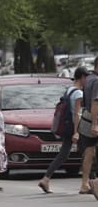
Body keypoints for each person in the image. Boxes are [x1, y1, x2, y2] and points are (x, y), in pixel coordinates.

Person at [38, 66, 89, 194]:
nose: (87, 80)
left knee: (63, 154)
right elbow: (77, 114)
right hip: (75, 127)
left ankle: (46, 178)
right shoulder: (78, 93)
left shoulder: (69, 90)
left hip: (67, 127)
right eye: (86, 78)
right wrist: (77, 132)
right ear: (82, 77)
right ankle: (88, 183)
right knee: (89, 153)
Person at [79, 57, 98, 199]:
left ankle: (84, 183)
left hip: (85, 118)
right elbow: (95, 103)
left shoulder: (89, 79)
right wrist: (95, 124)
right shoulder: (97, 81)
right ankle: (96, 182)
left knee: (89, 153)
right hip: (94, 119)